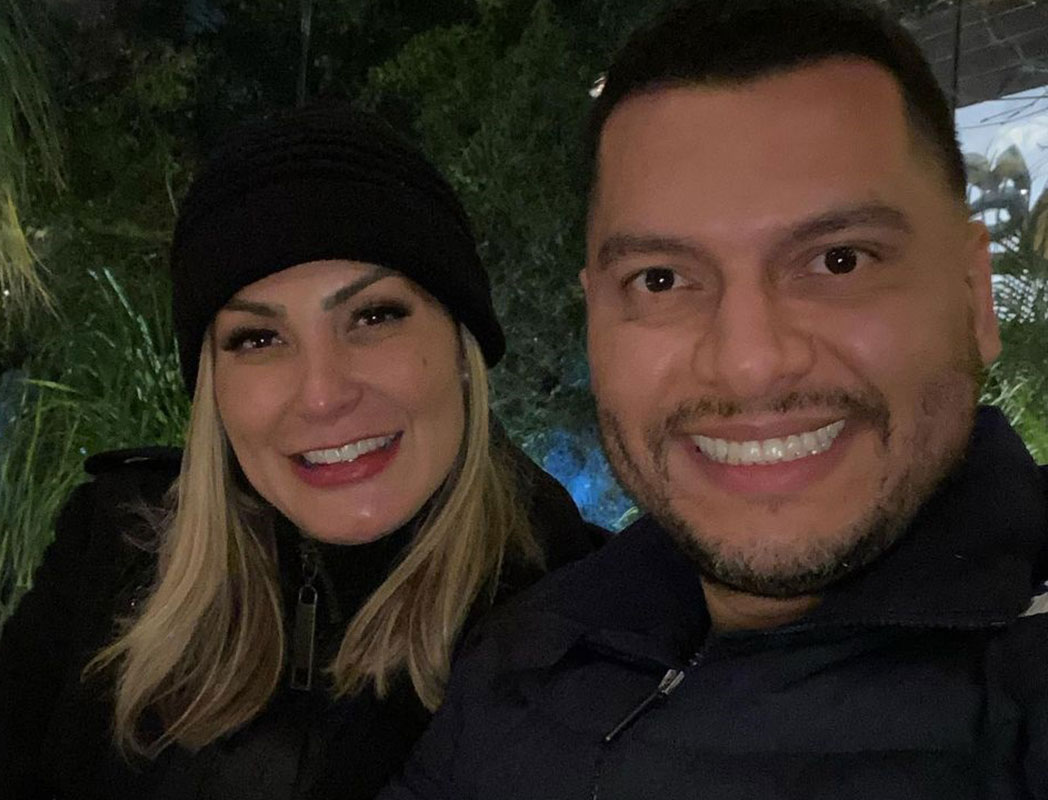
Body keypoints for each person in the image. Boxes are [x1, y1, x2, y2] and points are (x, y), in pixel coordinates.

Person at [380, 2, 1048, 798]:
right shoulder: (529, 646)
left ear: (976, 296)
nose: (749, 365)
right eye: (661, 279)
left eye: (839, 261)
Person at [0, 107, 603, 800]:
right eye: (258, 338)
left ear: (461, 347)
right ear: (214, 387)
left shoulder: (589, 625)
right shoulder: (117, 549)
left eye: (374, 316)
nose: (321, 395)